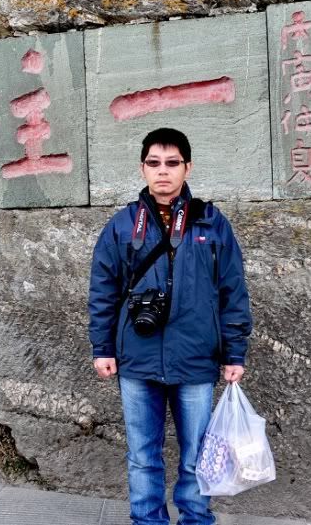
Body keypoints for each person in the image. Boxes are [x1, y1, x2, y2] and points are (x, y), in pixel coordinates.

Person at [88, 127, 253, 525]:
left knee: (197, 454)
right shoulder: (122, 225)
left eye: (172, 163)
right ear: (142, 169)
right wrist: (103, 348)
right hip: (138, 358)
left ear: (187, 168)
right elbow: (103, 291)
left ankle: (195, 519)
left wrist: (235, 352)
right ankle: (148, 521)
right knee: (142, 456)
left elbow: (232, 290)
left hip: (195, 358)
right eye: (154, 163)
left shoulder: (211, 223)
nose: (163, 171)